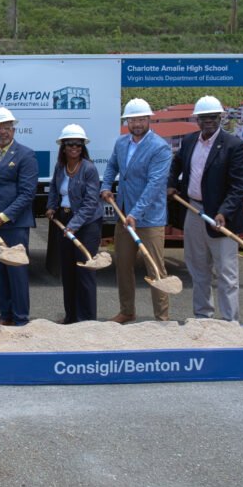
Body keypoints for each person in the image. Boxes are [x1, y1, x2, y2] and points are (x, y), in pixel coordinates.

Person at [168, 95, 243, 321]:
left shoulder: (235, 146)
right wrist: (171, 184)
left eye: (213, 117)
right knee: (198, 269)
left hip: (221, 217)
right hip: (193, 210)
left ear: (220, 118)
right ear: (197, 120)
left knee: (226, 273)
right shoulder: (189, 141)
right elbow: (176, 164)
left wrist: (224, 212)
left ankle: (229, 321)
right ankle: (203, 316)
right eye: (204, 118)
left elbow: (239, 186)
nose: (209, 121)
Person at [100, 98, 172, 323]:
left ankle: (162, 318)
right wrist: (106, 186)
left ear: (149, 119)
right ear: (127, 122)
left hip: (149, 219)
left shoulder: (160, 147)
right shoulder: (121, 143)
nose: (137, 124)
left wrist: (135, 214)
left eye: (141, 119)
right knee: (123, 266)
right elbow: (112, 166)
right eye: (132, 120)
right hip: (124, 215)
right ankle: (127, 311)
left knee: (155, 269)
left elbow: (154, 185)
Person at [0, 107, 38, 326]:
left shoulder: (25, 155)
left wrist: (4, 216)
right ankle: (5, 315)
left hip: (14, 225)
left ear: (14, 129)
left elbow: (28, 193)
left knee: (16, 273)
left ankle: (20, 319)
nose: (3, 132)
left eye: (7, 127)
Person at [46, 124, 104, 323]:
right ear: (63, 147)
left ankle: (87, 320)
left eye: (78, 145)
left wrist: (75, 224)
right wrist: (51, 206)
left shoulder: (89, 168)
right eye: (70, 144)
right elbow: (54, 189)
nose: (74, 148)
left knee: (84, 271)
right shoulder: (60, 167)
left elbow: (91, 202)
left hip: (87, 224)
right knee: (68, 271)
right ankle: (71, 317)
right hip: (64, 220)